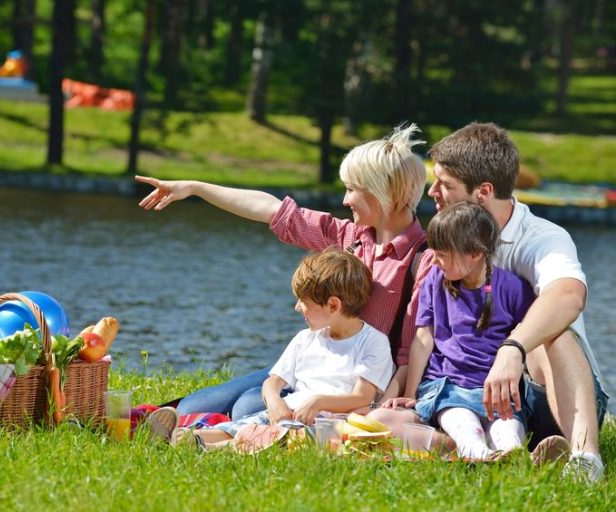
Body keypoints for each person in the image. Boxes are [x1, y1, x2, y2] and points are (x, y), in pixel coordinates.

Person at [136, 124, 432, 420]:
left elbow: (408, 354)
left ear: (384, 192)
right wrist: (195, 188)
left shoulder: (423, 260)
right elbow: (272, 210)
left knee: (247, 407)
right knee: (191, 407)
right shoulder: (349, 238)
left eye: (352, 189)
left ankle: (214, 430)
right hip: (314, 364)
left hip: (355, 384)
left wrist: (378, 415)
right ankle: (171, 420)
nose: (345, 199)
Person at [373, 122, 608, 481]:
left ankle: (584, 459)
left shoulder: (542, 237)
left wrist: (513, 348)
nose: (432, 192)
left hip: (546, 394)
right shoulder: (447, 246)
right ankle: (480, 451)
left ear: (483, 191)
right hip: (464, 390)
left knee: (554, 332)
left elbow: (569, 295)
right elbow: (424, 332)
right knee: (385, 422)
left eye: (445, 184)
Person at [154, 248, 394, 450]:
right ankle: (184, 437)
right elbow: (273, 381)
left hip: (329, 423)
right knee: (243, 426)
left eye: (304, 302)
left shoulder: (372, 342)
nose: (297, 308)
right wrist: (274, 401)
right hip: (290, 413)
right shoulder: (306, 339)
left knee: (285, 438)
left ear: (333, 305)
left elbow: (362, 397)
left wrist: (319, 402)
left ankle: (205, 446)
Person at [383, 202, 535, 460]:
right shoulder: (435, 279)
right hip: (448, 388)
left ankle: (515, 456)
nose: (435, 260)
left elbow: (528, 337)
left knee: (507, 431)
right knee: (464, 426)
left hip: (495, 392)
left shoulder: (514, 288)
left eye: (442, 254)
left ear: (475, 253)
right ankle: (480, 456)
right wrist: (410, 394)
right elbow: (423, 338)